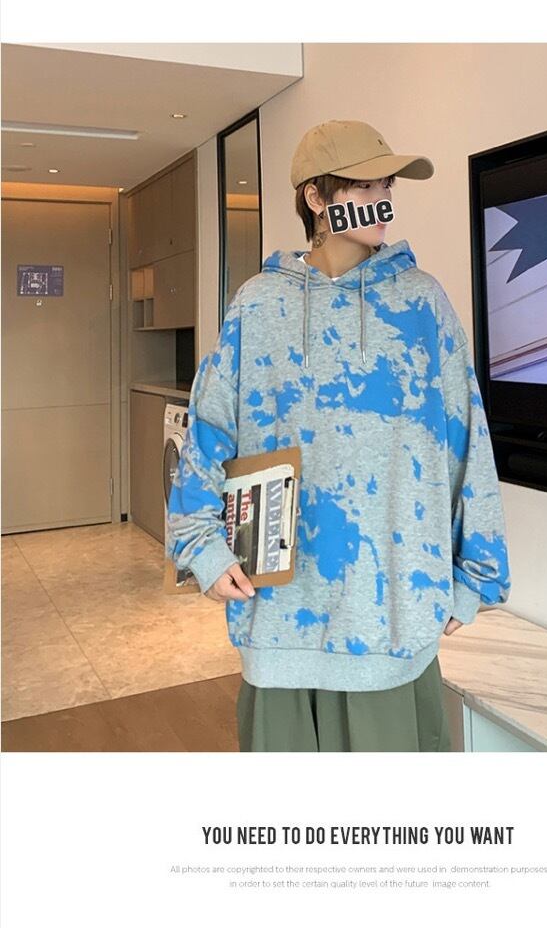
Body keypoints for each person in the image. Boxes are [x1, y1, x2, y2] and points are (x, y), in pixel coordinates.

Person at [165, 118, 511, 752]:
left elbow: (468, 443)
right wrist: (203, 548)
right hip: (279, 622)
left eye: (387, 184)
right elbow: (207, 432)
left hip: (394, 622)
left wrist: (476, 573)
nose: (382, 198)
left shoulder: (422, 304)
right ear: (315, 197)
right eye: (363, 184)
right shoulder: (257, 305)